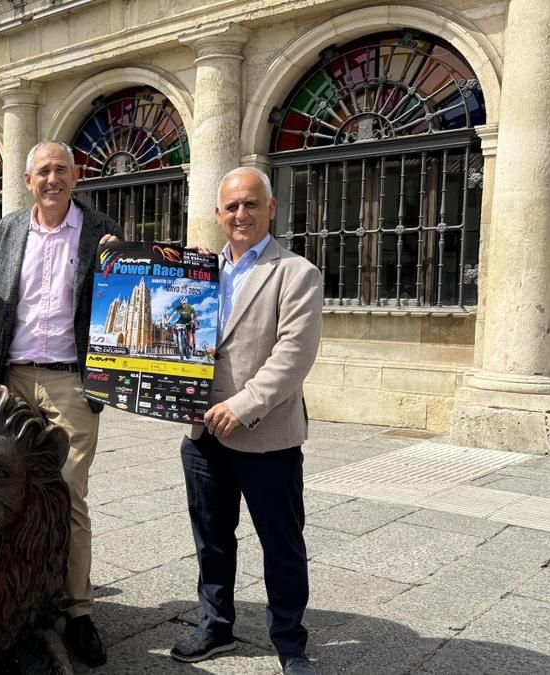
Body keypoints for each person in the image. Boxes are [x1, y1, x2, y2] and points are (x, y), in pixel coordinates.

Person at [0, 140, 120, 667]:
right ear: (28, 181)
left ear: (76, 176)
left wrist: (123, 260)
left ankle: (78, 611)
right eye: (43, 171)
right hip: (11, 381)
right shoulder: (10, 229)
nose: (53, 179)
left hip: (72, 381)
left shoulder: (100, 230)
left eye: (61, 170)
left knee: (69, 494)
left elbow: (124, 297)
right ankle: (10, 598)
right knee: (4, 490)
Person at [173, 167, 323, 675]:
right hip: (201, 433)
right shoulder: (193, 272)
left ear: (271, 208)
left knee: (281, 543)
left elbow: (293, 357)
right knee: (212, 539)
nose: (241, 214)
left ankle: (290, 643)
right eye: (232, 206)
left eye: (251, 204)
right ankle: (216, 625)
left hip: (266, 435)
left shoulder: (296, 273)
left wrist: (241, 406)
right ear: (218, 214)